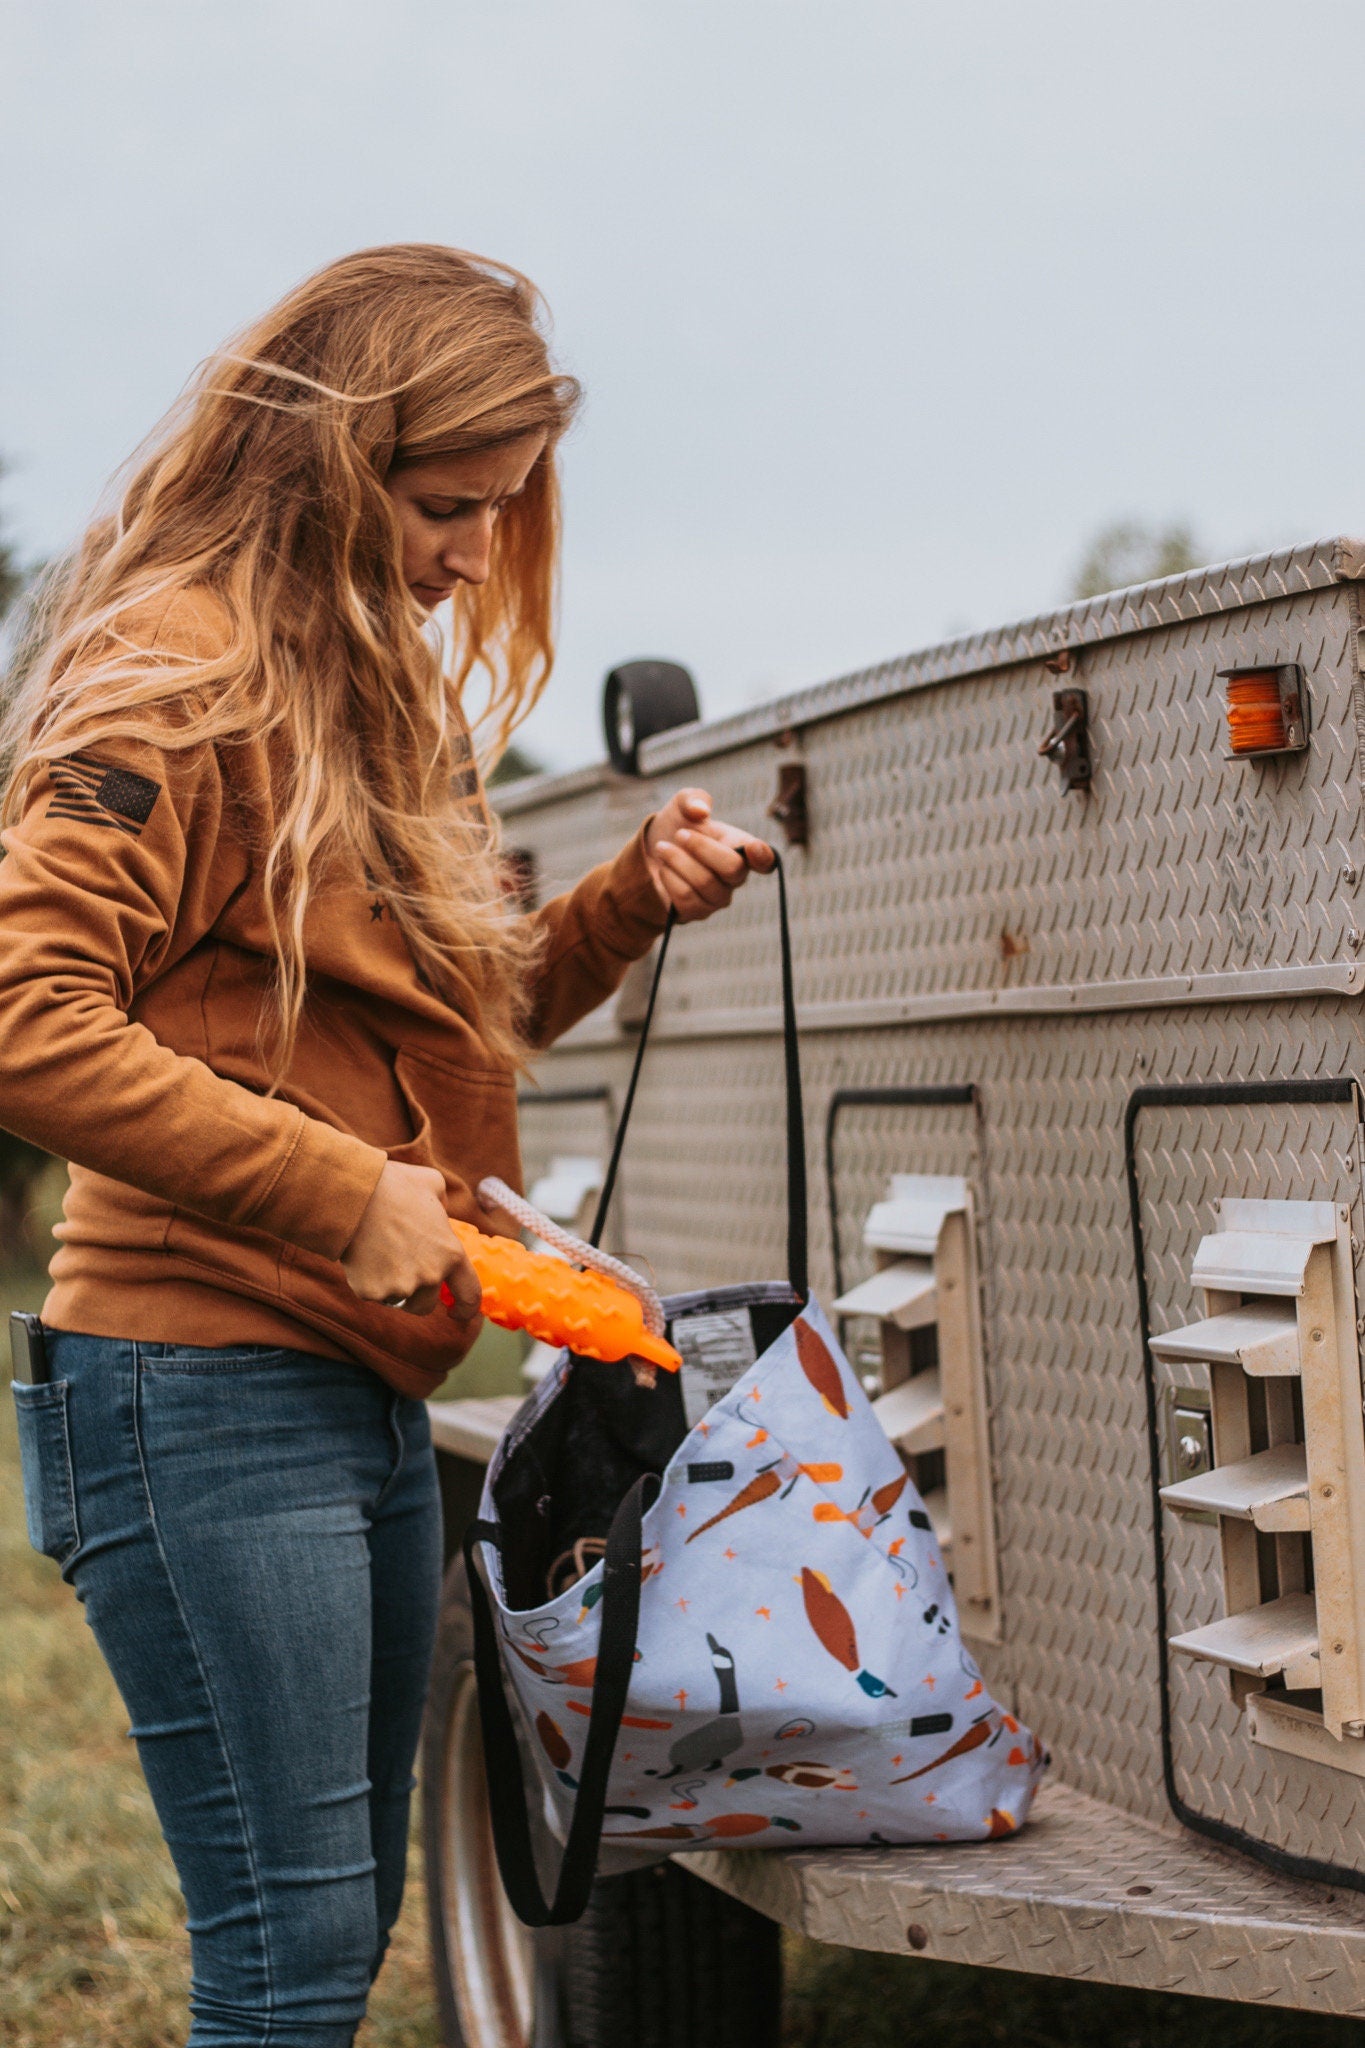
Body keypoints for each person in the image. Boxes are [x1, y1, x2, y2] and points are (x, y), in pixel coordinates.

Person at [3, 243, 773, 2047]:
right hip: (194, 1376)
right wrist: (339, 1189)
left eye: (496, 515)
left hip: (353, 1372)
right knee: (288, 1952)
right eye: (444, 507)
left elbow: (441, 1025)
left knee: (330, 1939)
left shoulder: (373, 688)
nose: (467, 557)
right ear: (329, 467)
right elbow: (25, 1016)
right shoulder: (166, 677)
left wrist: (618, 908)